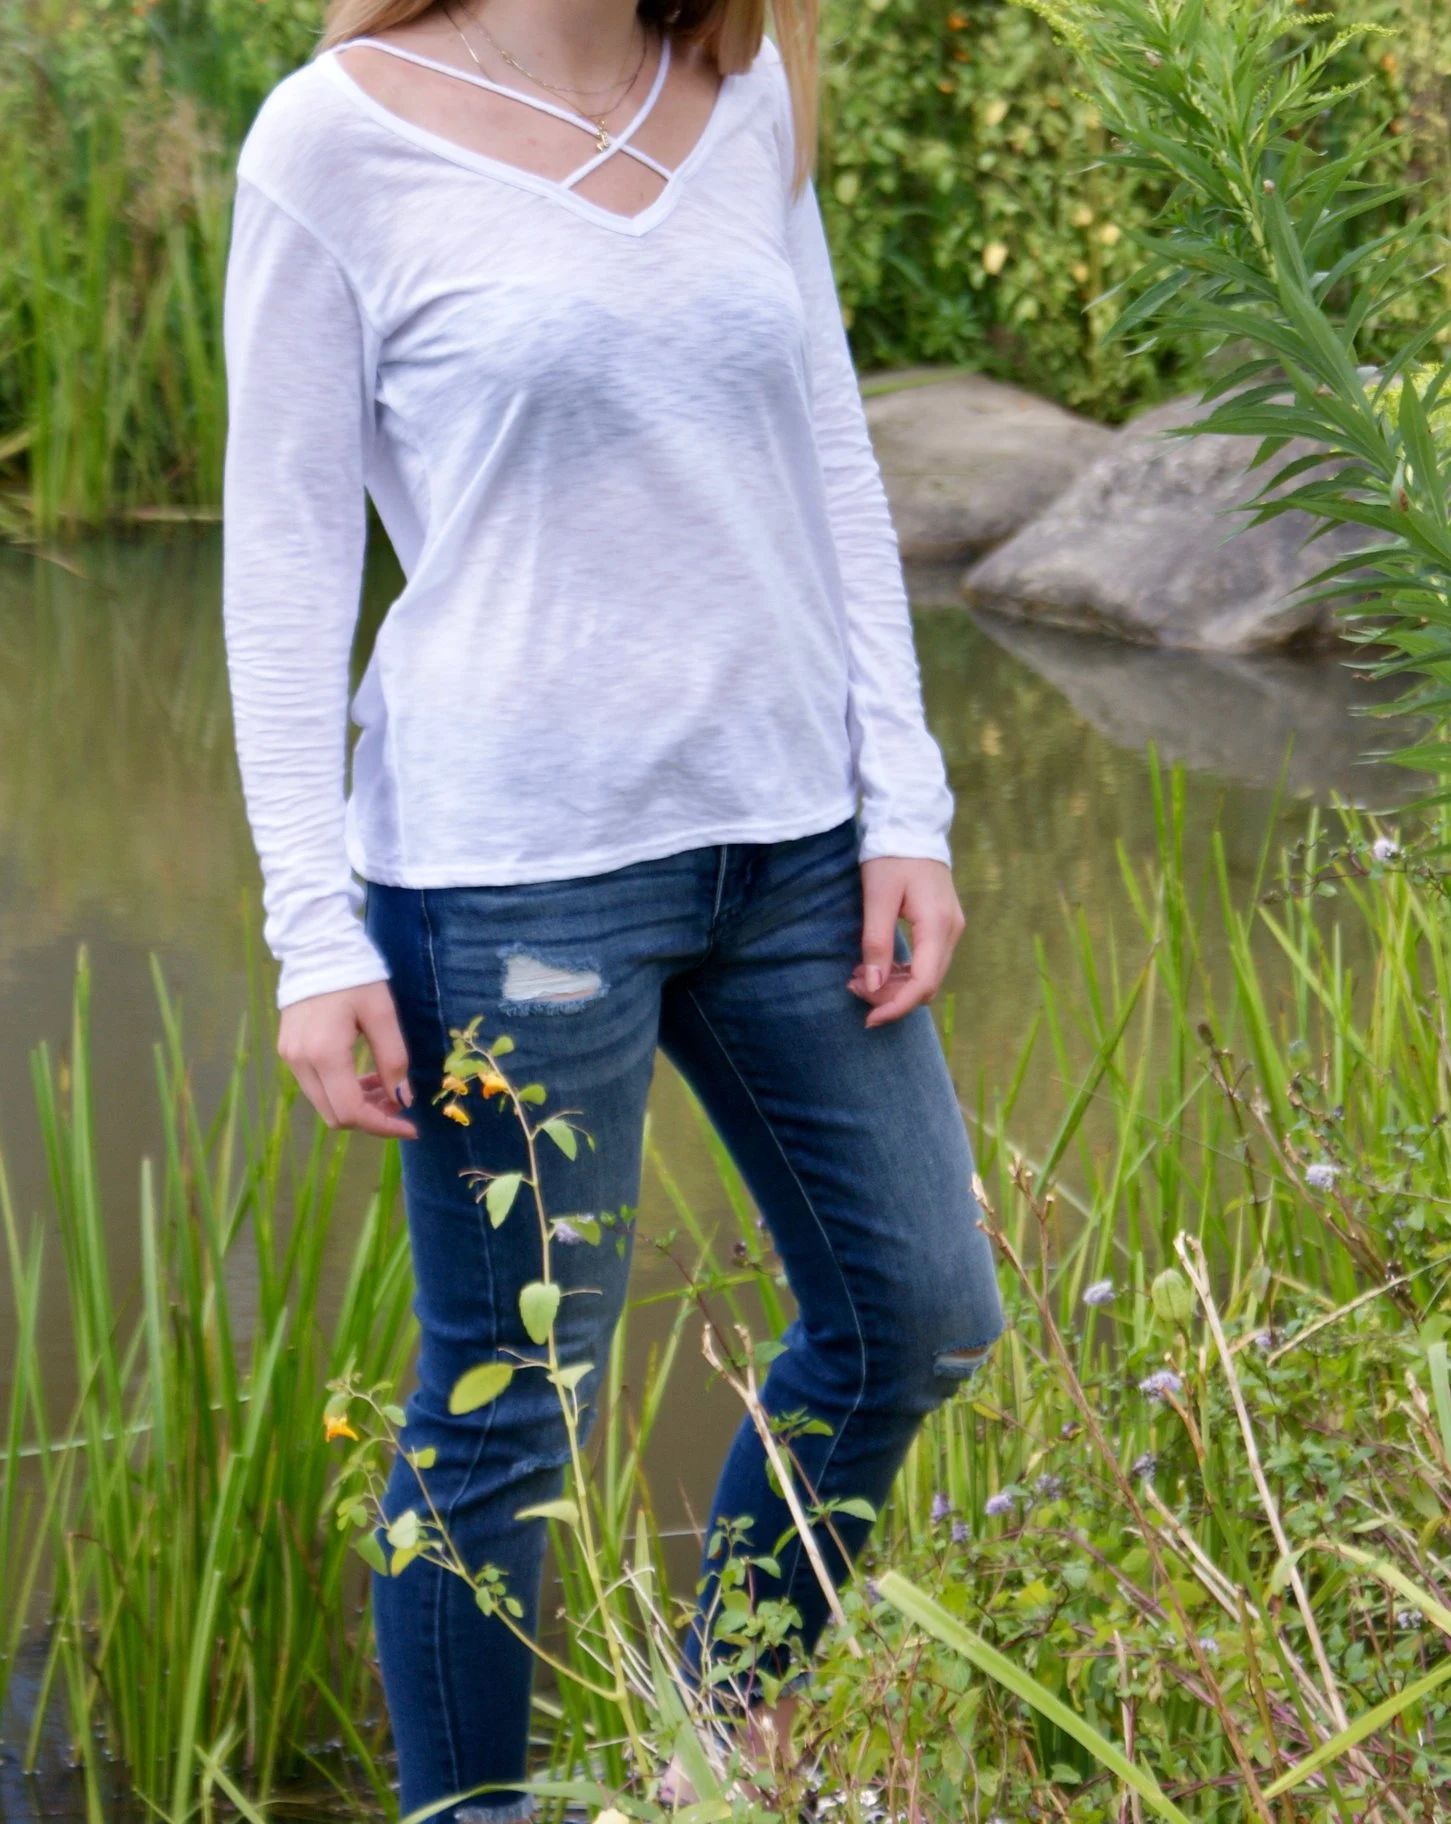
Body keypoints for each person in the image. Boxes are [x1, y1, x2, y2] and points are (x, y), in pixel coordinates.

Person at [218, 0, 1003, 1809]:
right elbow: (281, 563)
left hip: (797, 843)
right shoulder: (330, 142)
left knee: (921, 1315)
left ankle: (715, 1731)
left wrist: (911, 802)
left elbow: (832, 463)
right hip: (511, 879)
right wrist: (311, 929)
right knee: (506, 1404)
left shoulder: (742, 91)